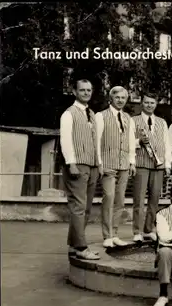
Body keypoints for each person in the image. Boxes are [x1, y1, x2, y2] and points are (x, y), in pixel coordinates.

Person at [60, 78, 100, 260]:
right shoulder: (69, 114)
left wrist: (98, 163)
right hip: (77, 164)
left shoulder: (91, 113)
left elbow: (95, 141)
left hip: (91, 165)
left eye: (89, 90)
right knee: (78, 206)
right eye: (82, 90)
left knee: (86, 208)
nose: (86, 93)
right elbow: (65, 141)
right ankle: (82, 248)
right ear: (74, 92)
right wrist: (72, 164)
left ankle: (74, 246)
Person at [95, 86, 136, 248]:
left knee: (120, 201)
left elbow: (131, 142)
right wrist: (99, 162)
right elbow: (96, 141)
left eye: (123, 98)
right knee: (109, 198)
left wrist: (132, 162)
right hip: (108, 164)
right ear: (111, 98)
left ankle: (116, 233)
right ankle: (107, 235)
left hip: (124, 164)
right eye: (117, 97)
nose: (120, 100)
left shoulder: (128, 118)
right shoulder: (101, 116)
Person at [132, 92, 172, 243]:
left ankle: (149, 229)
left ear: (156, 104)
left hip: (159, 165)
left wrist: (167, 164)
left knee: (154, 200)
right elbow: (129, 142)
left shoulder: (162, 122)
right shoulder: (133, 120)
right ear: (142, 103)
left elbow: (167, 144)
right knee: (139, 199)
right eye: (147, 102)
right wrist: (139, 142)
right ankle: (137, 231)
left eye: (152, 103)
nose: (149, 105)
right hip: (141, 164)